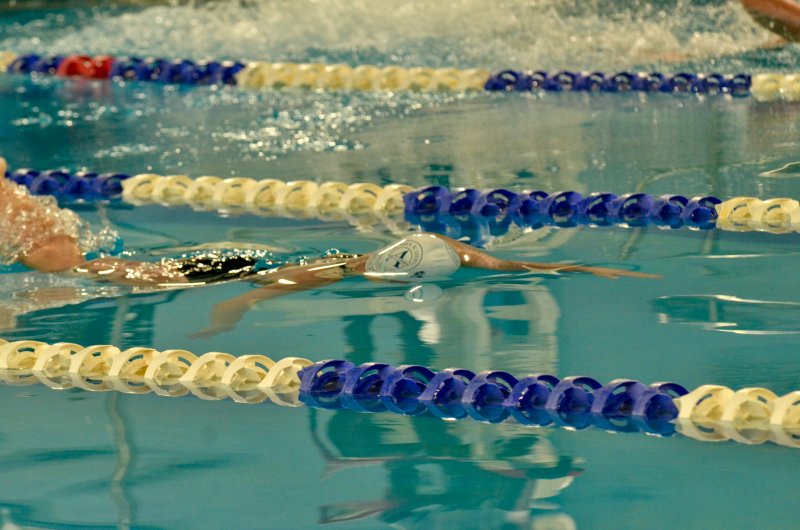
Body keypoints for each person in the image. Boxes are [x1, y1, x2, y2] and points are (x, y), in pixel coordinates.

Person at [0, 157, 658, 336]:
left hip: (193, 266)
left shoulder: (43, 241)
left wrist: (241, 305)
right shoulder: (426, 261)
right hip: (203, 264)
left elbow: (58, 269)